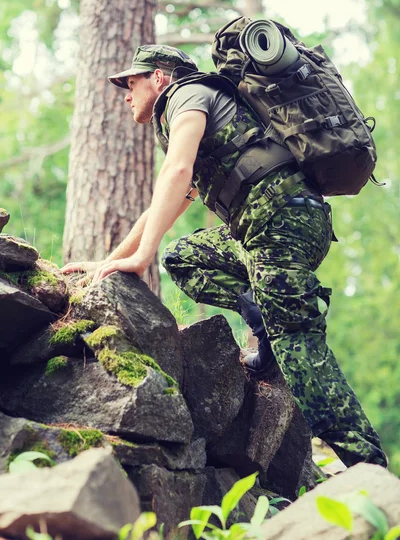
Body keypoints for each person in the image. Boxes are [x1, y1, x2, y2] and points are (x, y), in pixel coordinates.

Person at [61, 44, 387, 469]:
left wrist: (140, 257)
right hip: (263, 231)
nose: (126, 93)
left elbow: (176, 172)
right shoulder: (195, 106)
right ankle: (266, 327)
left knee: (301, 351)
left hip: (282, 225)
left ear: (159, 77)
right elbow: (177, 196)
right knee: (185, 257)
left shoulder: (185, 96)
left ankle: (370, 471)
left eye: (132, 82)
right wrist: (111, 260)